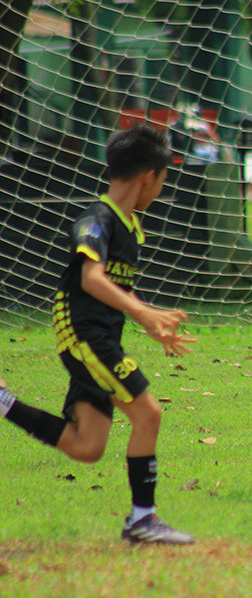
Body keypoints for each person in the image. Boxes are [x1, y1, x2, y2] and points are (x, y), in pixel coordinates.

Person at [0, 124, 196, 544]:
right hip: (84, 337)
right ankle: (142, 520)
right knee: (149, 413)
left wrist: (151, 318)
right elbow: (91, 279)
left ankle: (2, 402)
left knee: (86, 447)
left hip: (100, 338)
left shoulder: (130, 225)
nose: (160, 189)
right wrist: (143, 314)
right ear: (149, 177)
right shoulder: (97, 219)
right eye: (163, 181)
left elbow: (118, 287)